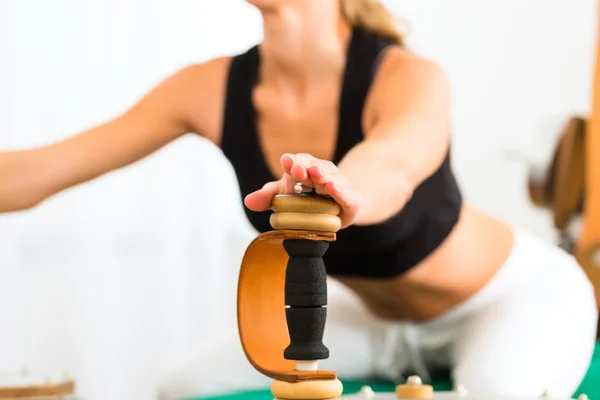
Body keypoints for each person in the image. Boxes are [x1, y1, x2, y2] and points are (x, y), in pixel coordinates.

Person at [0, 0, 597, 399]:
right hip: (375, 321)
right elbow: (39, 173)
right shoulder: (207, 88)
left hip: (507, 297)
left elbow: (395, 162)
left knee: (497, 388)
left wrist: (343, 186)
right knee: (185, 387)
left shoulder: (409, 76)